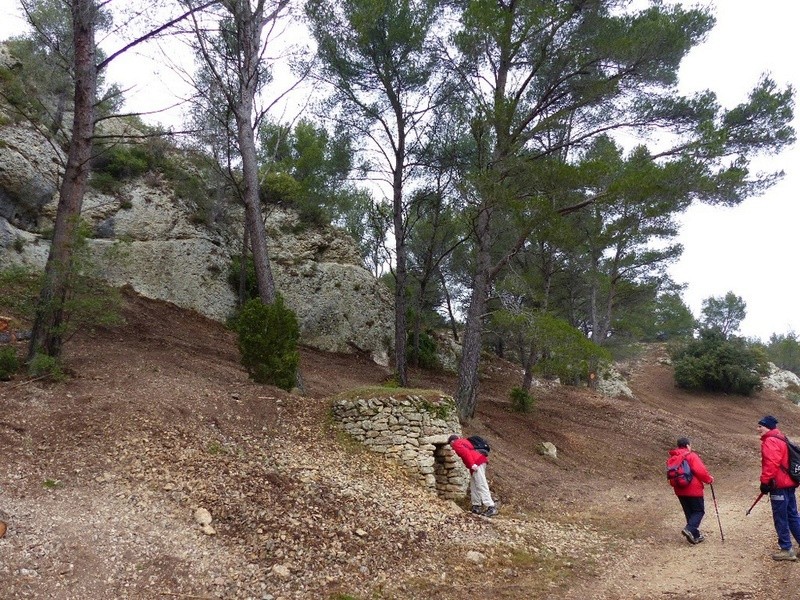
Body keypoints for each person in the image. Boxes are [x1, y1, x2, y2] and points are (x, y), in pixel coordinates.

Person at [757, 415, 800, 561]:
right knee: (792, 515)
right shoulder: (782, 437)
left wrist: (765, 482)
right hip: (789, 483)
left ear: (767, 427)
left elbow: (771, 463)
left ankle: (786, 549)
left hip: (779, 485)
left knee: (780, 517)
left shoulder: (770, 440)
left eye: (760, 426)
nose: (758, 429)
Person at [668, 437, 714, 544]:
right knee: (698, 511)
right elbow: (701, 471)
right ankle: (689, 529)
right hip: (693, 489)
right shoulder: (691, 455)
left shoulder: (673, 457)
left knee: (689, 512)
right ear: (688, 445)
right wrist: (709, 479)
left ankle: (695, 536)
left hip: (679, 490)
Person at [447, 434, 497, 517]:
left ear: (452, 441)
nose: (452, 447)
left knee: (481, 483)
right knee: (474, 485)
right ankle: (476, 506)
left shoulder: (456, 443)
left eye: (450, 444)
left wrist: (472, 464)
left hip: (476, 463)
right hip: (478, 462)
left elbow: (465, 453)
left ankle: (491, 507)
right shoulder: (464, 441)